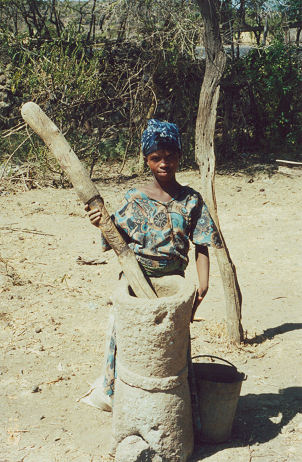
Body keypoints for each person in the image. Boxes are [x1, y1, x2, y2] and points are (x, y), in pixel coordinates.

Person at [80, 119, 221, 412]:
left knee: (172, 345)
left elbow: (202, 243)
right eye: (156, 157)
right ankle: (114, 394)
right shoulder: (135, 198)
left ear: (179, 157)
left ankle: (174, 404)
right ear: (146, 159)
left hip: (173, 284)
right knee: (125, 337)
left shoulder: (191, 200)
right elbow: (114, 237)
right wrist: (99, 224)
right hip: (137, 279)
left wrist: (203, 285)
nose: (164, 163)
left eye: (170, 156)